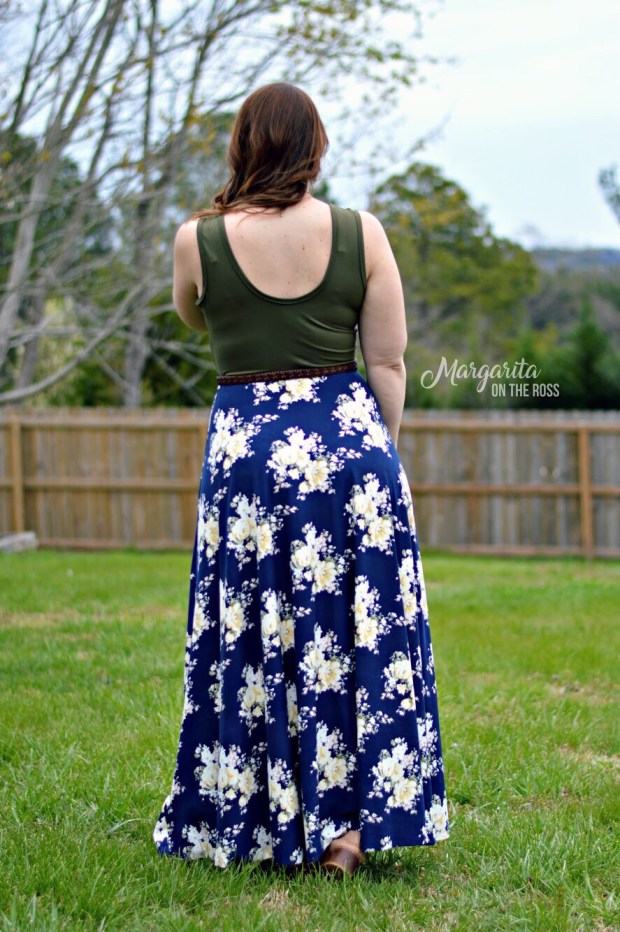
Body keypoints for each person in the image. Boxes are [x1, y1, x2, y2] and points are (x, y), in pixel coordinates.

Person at [153, 81, 449, 875]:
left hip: (248, 460)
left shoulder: (196, 240)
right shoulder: (361, 233)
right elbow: (388, 361)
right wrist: (381, 456)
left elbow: (194, 314)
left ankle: (262, 820)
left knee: (257, 633)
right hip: (351, 453)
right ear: (316, 148)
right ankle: (352, 832)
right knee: (357, 633)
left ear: (241, 147)